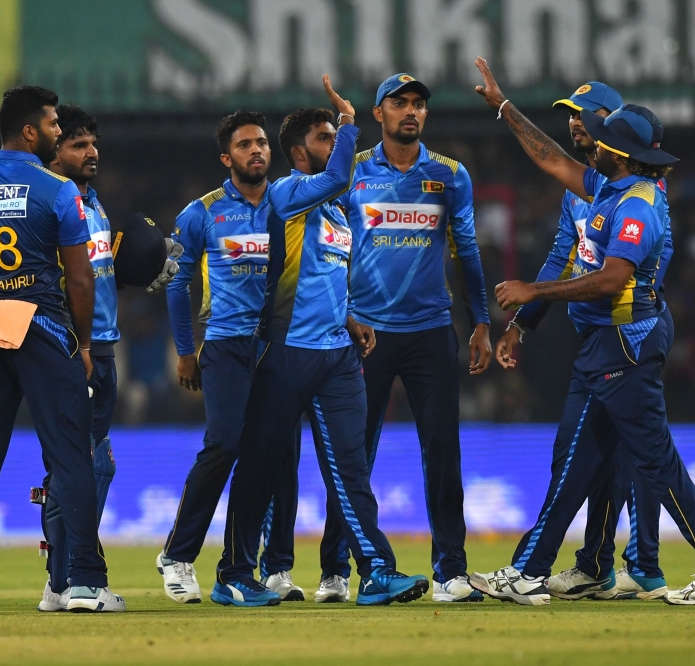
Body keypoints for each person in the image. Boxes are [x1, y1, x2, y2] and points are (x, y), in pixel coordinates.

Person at [469, 58, 695, 606]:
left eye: (596, 131)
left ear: (617, 149)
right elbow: (551, 159)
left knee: (652, 460)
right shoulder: (606, 184)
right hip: (607, 343)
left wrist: (534, 292)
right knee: (575, 461)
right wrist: (504, 108)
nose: (584, 137)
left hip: (625, 341)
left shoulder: (638, 204)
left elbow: (611, 280)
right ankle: (530, 571)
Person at [212, 76, 429, 608]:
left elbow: (323, 275)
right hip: (286, 352)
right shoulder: (286, 193)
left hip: (335, 354)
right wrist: (354, 124)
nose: (335, 145)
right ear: (297, 152)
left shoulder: (334, 212)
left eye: (337, 135)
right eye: (325, 138)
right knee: (260, 463)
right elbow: (336, 178)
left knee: (350, 467)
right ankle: (234, 574)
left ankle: (376, 571)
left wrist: (351, 317)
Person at [0, 86, 124, 614]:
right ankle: (82, 581)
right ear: (30, 131)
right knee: (69, 453)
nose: (60, 133)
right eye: (55, 125)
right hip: (44, 327)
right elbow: (80, 280)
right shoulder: (59, 192)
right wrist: (82, 344)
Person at [312, 73, 492, 604]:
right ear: (379, 113)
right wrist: (341, 314)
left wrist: (481, 322)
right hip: (365, 333)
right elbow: (328, 252)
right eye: (399, 103)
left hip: (431, 333)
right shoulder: (351, 173)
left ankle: (451, 572)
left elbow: (468, 252)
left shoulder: (449, 175)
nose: (410, 111)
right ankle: (335, 569)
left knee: (443, 452)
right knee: (353, 455)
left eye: (418, 104)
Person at [495, 82, 675, 602]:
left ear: (612, 125)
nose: (576, 123)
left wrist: (629, 319)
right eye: (570, 114)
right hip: (599, 335)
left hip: (628, 333)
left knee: (632, 454)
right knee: (596, 454)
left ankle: (641, 561)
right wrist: (523, 323)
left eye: (586, 114)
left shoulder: (637, 191)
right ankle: (601, 562)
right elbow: (561, 258)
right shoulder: (584, 191)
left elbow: (638, 271)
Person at [158, 110, 303, 603]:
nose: (257, 150)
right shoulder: (202, 211)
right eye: (245, 145)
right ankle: (177, 556)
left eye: (262, 143)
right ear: (227, 158)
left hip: (277, 345)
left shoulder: (286, 202)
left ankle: (240, 570)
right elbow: (176, 283)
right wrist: (184, 351)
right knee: (223, 444)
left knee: (268, 455)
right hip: (224, 343)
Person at [31, 104, 120, 612]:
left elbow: (95, 273)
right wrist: (75, 346)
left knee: (82, 465)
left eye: (93, 143)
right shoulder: (52, 201)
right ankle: (72, 580)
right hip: (69, 346)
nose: (91, 153)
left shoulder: (92, 202)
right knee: (84, 465)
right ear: (55, 151)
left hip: (101, 343)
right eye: (77, 144)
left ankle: (59, 581)